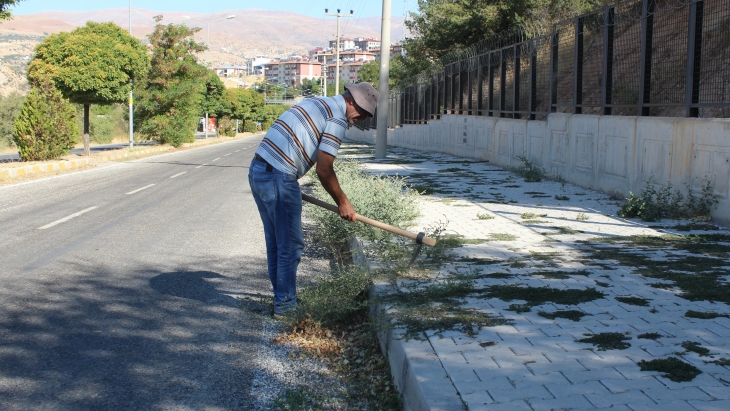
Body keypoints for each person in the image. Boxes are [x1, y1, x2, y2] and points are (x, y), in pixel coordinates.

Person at [248, 82, 379, 316]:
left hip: (259, 170)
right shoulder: (337, 118)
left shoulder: (318, 102)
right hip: (278, 176)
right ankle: (286, 307)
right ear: (352, 102)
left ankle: (282, 299)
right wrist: (343, 202)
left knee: (277, 243)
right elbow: (324, 170)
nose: (360, 120)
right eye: (362, 114)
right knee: (289, 244)